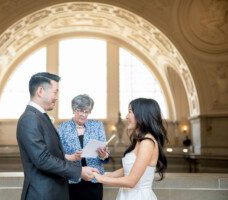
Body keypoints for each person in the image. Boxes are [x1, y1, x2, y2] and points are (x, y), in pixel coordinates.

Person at [16, 72, 99, 200]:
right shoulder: (30, 119)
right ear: (40, 91)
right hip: (42, 194)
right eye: (55, 92)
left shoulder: (39, 117)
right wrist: (79, 172)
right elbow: (43, 159)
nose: (56, 97)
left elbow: (55, 156)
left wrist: (80, 169)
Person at [94, 98, 168, 200]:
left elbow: (131, 181)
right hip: (127, 195)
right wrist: (105, 174)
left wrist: (101, 179)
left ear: (141, 115)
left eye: (130, 112)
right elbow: (129, 169)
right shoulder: (140, 140)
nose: (126, 116)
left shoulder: (147, 142)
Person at [58, 94, 109, 200]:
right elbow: (58, 155)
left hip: (94, 180)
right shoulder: (62, 128)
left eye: (87, 111)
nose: (83, 115)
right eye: (80, 111)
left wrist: (104, 155)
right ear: (73, 109)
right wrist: (72, 156)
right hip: (72, 181)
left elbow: (106, 154)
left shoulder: (97, 126)